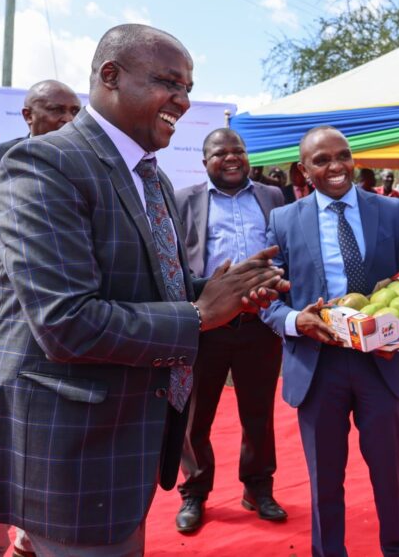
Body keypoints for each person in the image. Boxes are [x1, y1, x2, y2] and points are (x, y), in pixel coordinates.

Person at [0, 24, 285, 555]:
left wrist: (225, 290)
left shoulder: (152, 177)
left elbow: (152, 285)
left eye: (188, 88)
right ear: (110, 76)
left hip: (126, 440)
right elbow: (66, 322)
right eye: (169, 82)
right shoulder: (44, 164)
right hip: (71, 448)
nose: (183, 100)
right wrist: (200, 315)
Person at [261, 125, 399, 557]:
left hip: (379, 364)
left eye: (342, 155)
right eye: (322, 160)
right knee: (325, 477)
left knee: (388, 470)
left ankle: (396, 549)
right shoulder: (283, 220)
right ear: (303, 170)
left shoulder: (390, 211)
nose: (336, 166)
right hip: (317, 366)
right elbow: (267, 298)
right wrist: (296, 320)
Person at [0, 79, 81, 557]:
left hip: (67, 317)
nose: (68, 120)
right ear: (29, 115)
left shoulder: (87, 164)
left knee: (50, 428)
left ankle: (32, 537)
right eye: (57, 110)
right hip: (1, 317)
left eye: (75, 111)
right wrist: (21, 195)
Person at [172, 128, 287, 533]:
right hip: (207, 324)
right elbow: (174, 262)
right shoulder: (184, 200)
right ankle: (195, 492)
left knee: (259, 414)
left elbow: (284, 249)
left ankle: (258, 488)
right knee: (195, 416)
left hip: (261, 322)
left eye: (238, 150)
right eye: (221, 153)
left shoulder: (273, 196)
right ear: (205, 161)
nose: (232, 157)